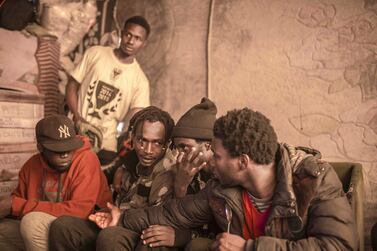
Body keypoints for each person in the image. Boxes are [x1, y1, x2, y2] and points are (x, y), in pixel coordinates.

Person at [90, 107, 357, 251]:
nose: (210, 161)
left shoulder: (314, 179)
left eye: (216, 156)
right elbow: (173, 214)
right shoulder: (223, 189)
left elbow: (339, 245)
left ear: (242, 162)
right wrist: (121, 218)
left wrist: (250, 248)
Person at [49, 106, 177, 251]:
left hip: (139, 232)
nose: (148, 150)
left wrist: (119, 219)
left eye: (157, 143)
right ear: (132, 138)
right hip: (115, 222)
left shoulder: (168, 171)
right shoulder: (129, 161)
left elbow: (159, 220)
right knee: (63, 226)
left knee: (110, 236)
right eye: (142, 140)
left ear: (166, 144)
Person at [0, 115, 112, 251]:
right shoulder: (31, 166)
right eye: (57, 149)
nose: (65, 154)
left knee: (32, 222)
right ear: (40, 147)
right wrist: (7, 206)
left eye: (69, 147)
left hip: (85, 229)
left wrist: (16, 205)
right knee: (3, 230)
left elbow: (79, 212)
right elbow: (15, 205)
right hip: (50, 227)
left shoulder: (86, 159)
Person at [65, 15, 151, 161]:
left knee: (96, 181)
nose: (130, 41)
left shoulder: (141, 80)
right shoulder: (96, 53)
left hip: (105, 144)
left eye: (137, 38)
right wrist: (77, 117)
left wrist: (123, 134)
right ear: (121, 33)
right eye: (128, 35)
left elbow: (137, 117)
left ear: (144, 44)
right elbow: (71, 86)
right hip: (74, 132)